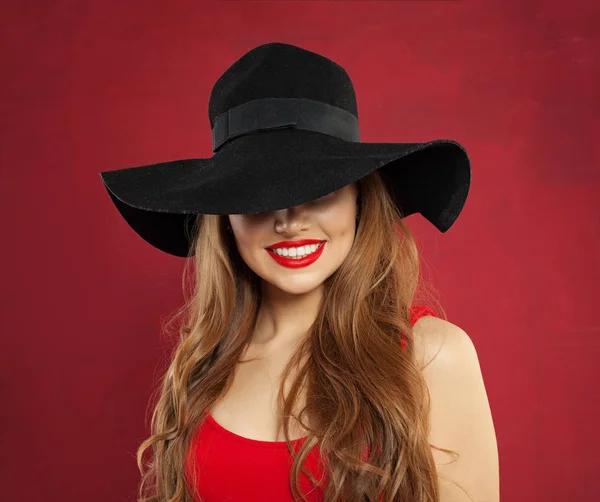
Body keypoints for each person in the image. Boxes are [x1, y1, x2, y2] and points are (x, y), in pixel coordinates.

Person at [100, 42, 498, 502]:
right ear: (224, 216)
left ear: (359, 199)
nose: (290, 222)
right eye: (259, 195)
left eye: (320, 190)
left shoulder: (431, 356)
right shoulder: (199, 366)